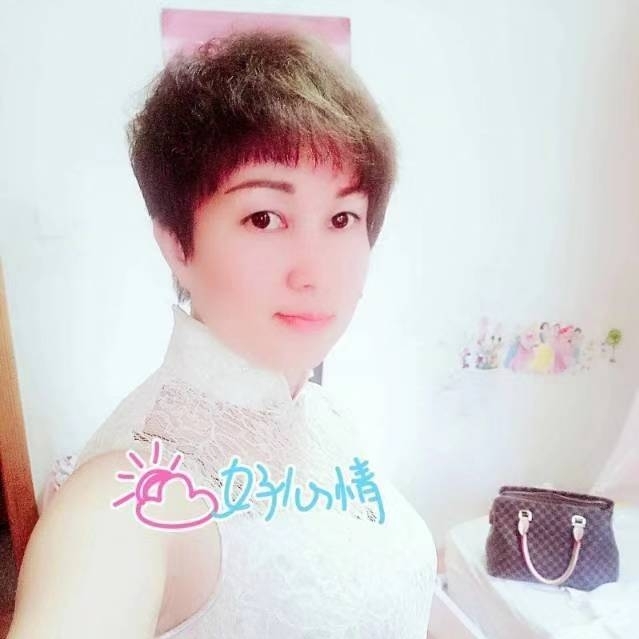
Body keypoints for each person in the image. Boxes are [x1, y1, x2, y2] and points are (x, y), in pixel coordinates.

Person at [8, 30, 437, 639]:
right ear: (177, 245)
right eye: (264, 217)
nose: (314, 272)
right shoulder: (128, 496)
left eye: (343, 217)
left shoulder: (326, 414)